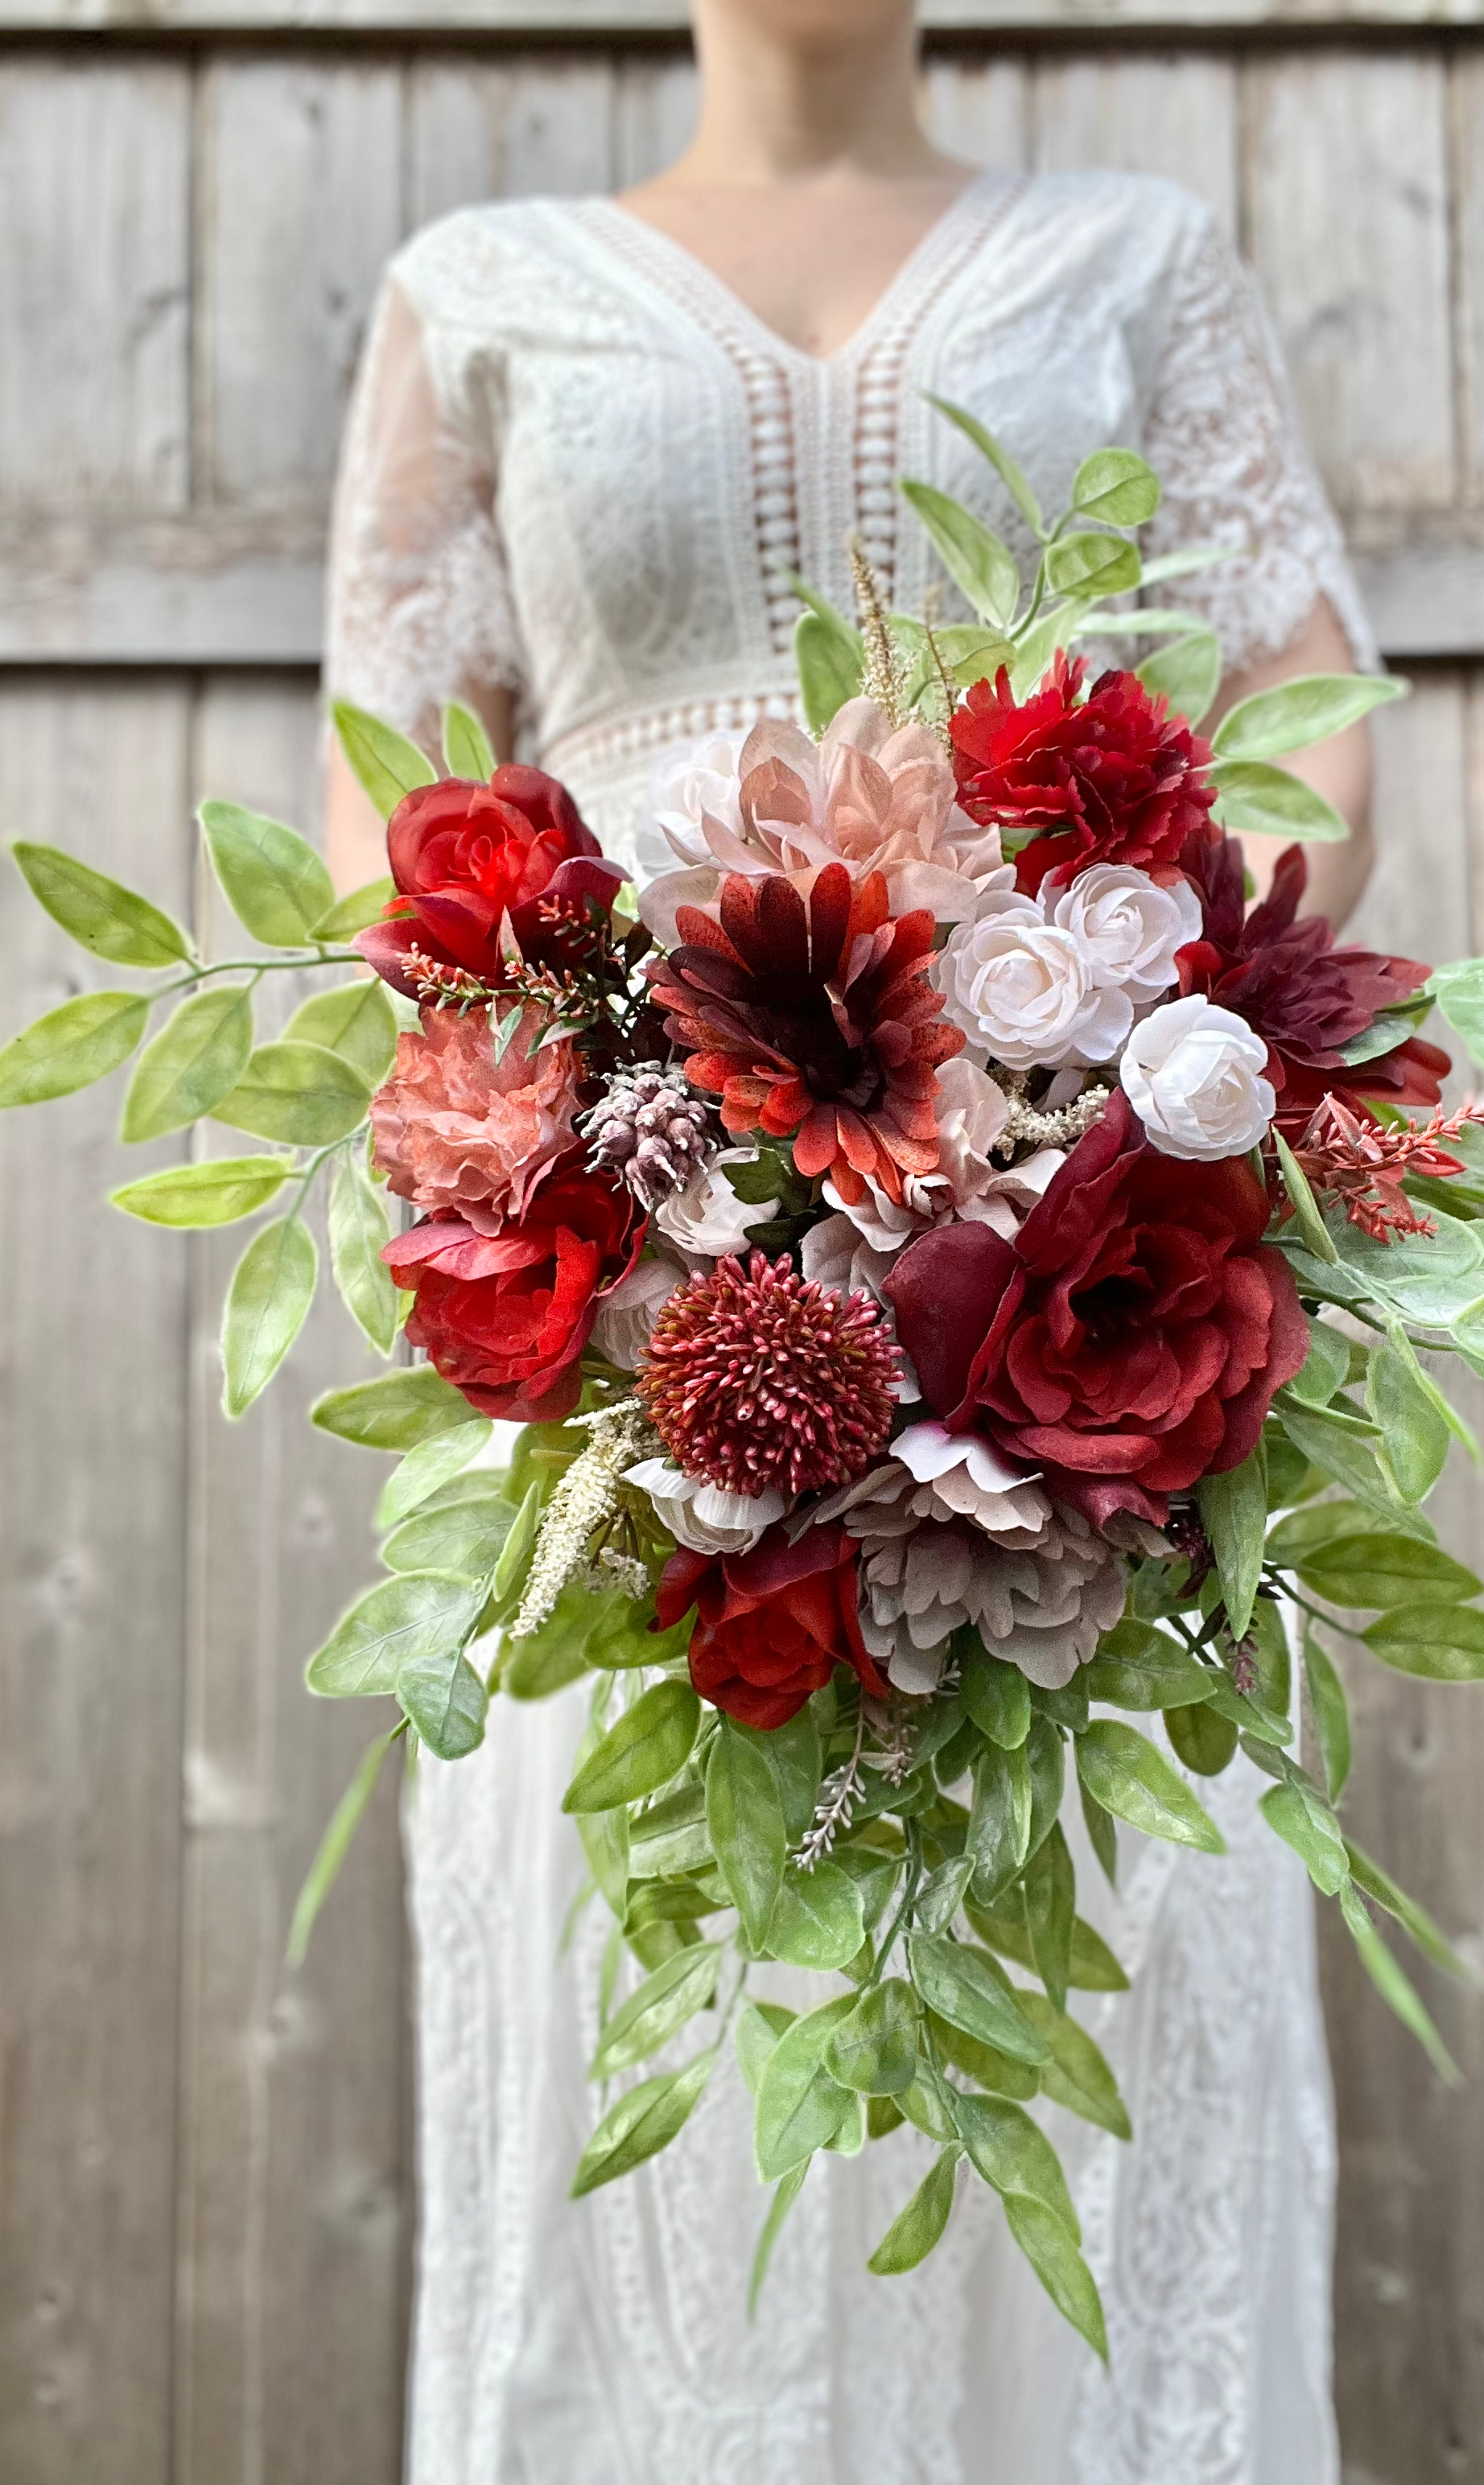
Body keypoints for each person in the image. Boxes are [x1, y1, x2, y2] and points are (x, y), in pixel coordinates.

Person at [324, 4, 1375, 2477]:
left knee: (1097, 1978)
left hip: (1082, 1264)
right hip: (624, 1346)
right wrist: (546, 1162)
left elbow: (1314, 692)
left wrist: (1139, 1069)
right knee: (662, 2041)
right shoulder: (475, 287)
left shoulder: (1132, 257)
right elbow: (390, 805)